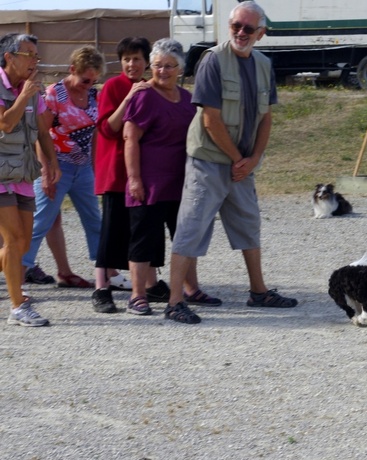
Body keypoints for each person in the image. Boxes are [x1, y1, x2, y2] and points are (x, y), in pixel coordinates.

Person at [166, 0, 297, 324]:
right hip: (208, 161)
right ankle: (174, 302)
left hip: (242, 165)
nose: (240, 32)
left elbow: (266, 118)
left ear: (261, 33)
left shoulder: (264, 64)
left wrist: (253, 159)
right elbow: (210, 119)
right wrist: (241, 159)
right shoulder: (212, 61)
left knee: (249, 226)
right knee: (190, 228)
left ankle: (259, 291)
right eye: (236, 25)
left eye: (248, 28)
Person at [122, 38, 220, 316]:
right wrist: (134, 179)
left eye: (169, 66)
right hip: (149, 184)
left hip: (183, 183)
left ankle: (192, 288)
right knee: (144, 240)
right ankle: (138, 295)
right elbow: (129, 138)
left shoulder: (188, 99)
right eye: (157, 65)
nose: (162, 71)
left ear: (180, 68)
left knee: (185, 237)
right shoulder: (143, 96)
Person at [22, 45, 105, 290]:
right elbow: (41, 134)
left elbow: (95, 133)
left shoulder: (93, 95)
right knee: (41, 222)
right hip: (58, 166)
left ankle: (105, 274)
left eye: (93, 81)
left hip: (83, 169)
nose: (88, 85)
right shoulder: (54, 94)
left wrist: (96, 167)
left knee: (95, 221)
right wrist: (46, 172)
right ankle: (18, 272)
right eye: (84, 80)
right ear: (72, 70)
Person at [93, 37, 160, 314]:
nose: (132, 64)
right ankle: (101, 288)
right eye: (126, 59)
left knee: (143, 230)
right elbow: (108, 128)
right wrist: (130, 96)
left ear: (147, 62)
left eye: (137, 59)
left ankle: (150, 285)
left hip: (144, 171)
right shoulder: (113, 86)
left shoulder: (153, 87)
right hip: (115, 171)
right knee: (111, 230)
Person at [0, 33, 60, 326]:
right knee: (12, 239)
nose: (35, 60)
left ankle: (11, 283)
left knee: (22, 244)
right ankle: (17, 306)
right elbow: (5, 123)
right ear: (9, 56)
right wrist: (23, 94)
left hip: (23, 171)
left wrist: (51, 161)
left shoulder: (33, 89)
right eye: (29, 54)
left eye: (36, 55)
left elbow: (41, 128)